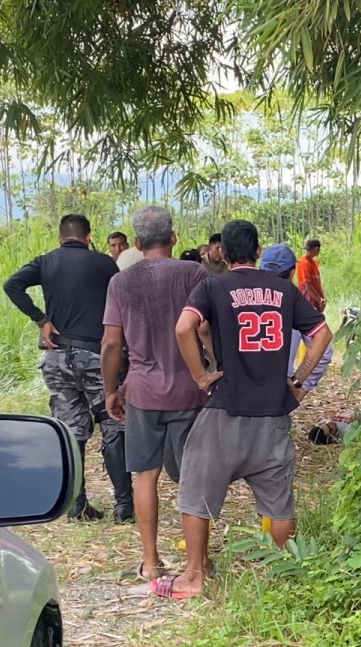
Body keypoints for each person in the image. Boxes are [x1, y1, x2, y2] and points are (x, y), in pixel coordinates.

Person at [158, 219, 333, 600]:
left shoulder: (213, 286)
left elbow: (184, 328)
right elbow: (322, 334)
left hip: (225, 410)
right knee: (278, 503)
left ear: (223, 252)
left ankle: (195, 574)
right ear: (257, 251)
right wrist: (299, 378)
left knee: (195, 489)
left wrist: (201, 376)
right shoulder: (284, 291)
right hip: (273, 413)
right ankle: (284, 574)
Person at [102, 206, 210, 582]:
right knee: (193, 477)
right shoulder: (194, 273)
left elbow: (112, 344)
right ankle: (199, 563)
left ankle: (150, 561)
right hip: (189, 391)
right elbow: (204, 329)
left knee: (144, 477)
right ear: (174, 237)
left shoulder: (121, 283)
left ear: (135, 242)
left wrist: (111, 390)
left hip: (143, 392)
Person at [3, 214, 133, 522]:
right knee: (113, 424)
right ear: (89, 237)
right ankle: (124, 506)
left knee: (71, 430)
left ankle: (77, 505)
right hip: (95, 356)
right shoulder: (104, 264)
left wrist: (41, 319)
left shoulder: (46, 262)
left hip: (57, 357)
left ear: (60, 237)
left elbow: (12, 285)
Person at [259, 243, 333, 393]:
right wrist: (299, 384)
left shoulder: (239, 299)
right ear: (292, 273)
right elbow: (324, 349)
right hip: (278, 393)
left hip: (240, 391)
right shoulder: (295, 306)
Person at [295, 238, 326, 311]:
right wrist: (320, 300)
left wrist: (322, 298)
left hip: (316, 298)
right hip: (308, 299)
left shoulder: (315, 262)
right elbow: (307, 286)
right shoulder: (303, 263)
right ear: (316, 249)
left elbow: (317, 281)